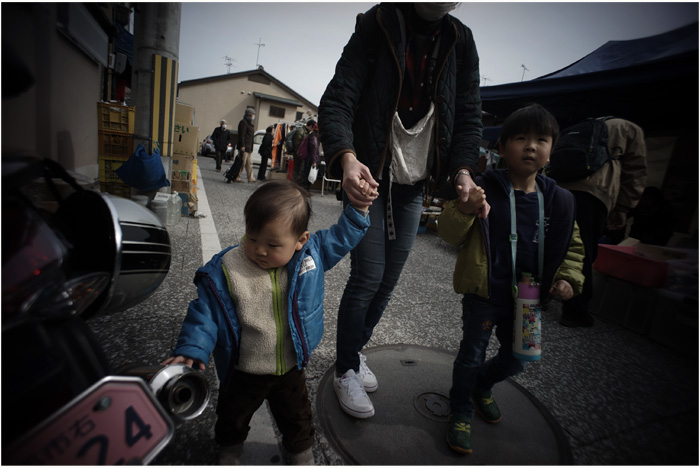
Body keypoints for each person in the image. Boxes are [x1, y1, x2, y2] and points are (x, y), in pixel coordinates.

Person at [318, 2, 487, 419]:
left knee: (389, 280)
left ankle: (354, 353)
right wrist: (346, 157)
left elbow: (467, 117)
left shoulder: (460, 40)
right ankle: (344, 371)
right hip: (370, 176)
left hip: (413, 184)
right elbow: (339, 97)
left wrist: (462, 172)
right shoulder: (378, 22)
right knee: (368, 277)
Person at [162, 180, 373, 465]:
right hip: (243, 370)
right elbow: (206, 313)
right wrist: (192, 347)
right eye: (252, 238)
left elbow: (341, 237)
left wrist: (359, 209)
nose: (260, 250)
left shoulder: (311, 255)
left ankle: (300, 453)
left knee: (298, 419)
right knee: (232, 418)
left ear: (301, 240)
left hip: (289, 367)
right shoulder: (227, 269)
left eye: (273, 244)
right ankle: (229, 450)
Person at [437, 103, 585, 454]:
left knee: (521, 356)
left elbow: (573, 245)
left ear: (552, 149)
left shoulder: (560, 201)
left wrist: (568, 277)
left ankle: (480, 385)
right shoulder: (482, 187)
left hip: (531, 295)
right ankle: (460, 409)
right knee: (471, 353)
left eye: (541, 139)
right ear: (502, 148)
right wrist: (467, 207)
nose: (531, 146)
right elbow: (448, 232)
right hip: (485, 294)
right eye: (520, 138)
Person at [557, 118, 647, 327]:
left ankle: (537, 295)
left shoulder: (581, 125)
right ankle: (575, 310)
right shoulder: (629, 128)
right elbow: (636, 170)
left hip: (560, 188)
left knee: (553, 240)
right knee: (583, 248)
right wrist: (624, 206)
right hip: (595, 193)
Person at [236, 108, 257, 183]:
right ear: (249, 115)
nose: (254, 116)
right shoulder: (243, 122)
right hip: (244, 147)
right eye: (253, 115)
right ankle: (237, 177)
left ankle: (251, 178)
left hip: (249, 147)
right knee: (242, 163)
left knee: (249, 164)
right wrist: (242, 145)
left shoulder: (250, 123)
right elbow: (242, 135)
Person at [298, 123, 321, 191]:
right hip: (310, 160)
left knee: (306, 176)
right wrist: (314, 161)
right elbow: (313, 150)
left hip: (308, 159)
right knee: (308, 177)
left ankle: (304, 190)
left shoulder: (310, 136)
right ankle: (305, 191)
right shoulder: (314, 137)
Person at [292, 120, 315, 185]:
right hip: (299, 154)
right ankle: (295, 185)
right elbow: (297, 144)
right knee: (298, 170)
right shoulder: (301, 131)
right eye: (312, 127)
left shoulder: (306, 132)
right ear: (310, 126)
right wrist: (300, 152)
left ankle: (297, 185)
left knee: (301, 171)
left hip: (303, 155)